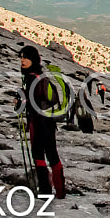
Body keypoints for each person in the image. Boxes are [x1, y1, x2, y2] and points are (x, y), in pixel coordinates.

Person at [18, 46, 67, 198]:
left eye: (26, 57)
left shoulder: (32, 78)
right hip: (49, 122)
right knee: (52, 154)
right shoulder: (41, 76)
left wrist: (20, 102)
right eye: (21, 57)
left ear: (33, 59)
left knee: (38, 155)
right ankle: (60, 191)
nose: (22, 60)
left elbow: (33, 102)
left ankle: (45, 190)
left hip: (38, 122)